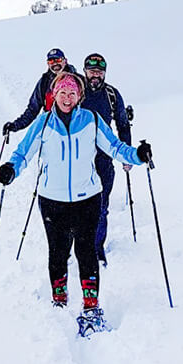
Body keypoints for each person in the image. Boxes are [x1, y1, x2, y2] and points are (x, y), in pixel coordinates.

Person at [0, 71, 152, 336]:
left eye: (72, 93)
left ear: (79, 96)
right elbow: (23, 152)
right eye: (62, 92)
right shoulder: (44, 123)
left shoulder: (91, 120)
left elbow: (115, 147)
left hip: (87, 198)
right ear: (54, 94)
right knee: (57, 252)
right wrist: (11, 169)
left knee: (86, 251)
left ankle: (91, 306)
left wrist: (137, 155)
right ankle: (59, 301)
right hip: (52, 200)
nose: (67, 98)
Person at [79, 52, 132, 266]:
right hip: (78, 158)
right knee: (79, 205)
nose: (95, 75)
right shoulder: (76, 91)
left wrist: (126, 155)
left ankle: (97, 248)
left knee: (101, 205)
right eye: (92, 71)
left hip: (104, 158)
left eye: (99, 72)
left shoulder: (112, 94)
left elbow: (122, 124)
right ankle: (80, 245)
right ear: (84, 71)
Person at [2, 48, 78, 135]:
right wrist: (15, 125)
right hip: (52, 131)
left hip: (75, 130)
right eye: (51, 61)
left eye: (58, 60)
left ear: (65, 61)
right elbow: (32, 109)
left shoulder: (77, 80)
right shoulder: (44, 82)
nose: (55, 63)